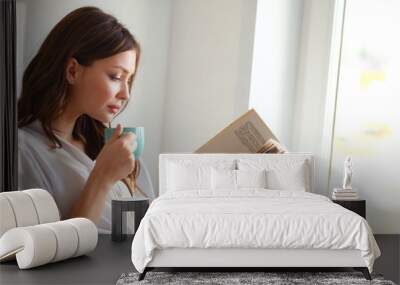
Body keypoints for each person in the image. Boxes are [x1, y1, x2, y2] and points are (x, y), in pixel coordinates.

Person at [17, 6, 152, 234]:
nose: (125, 94)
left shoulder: (105, 145)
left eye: (128, 80)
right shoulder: (21, 150)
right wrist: (102, 176)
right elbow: (46, 251)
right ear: (72, 71)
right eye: (116, 77)